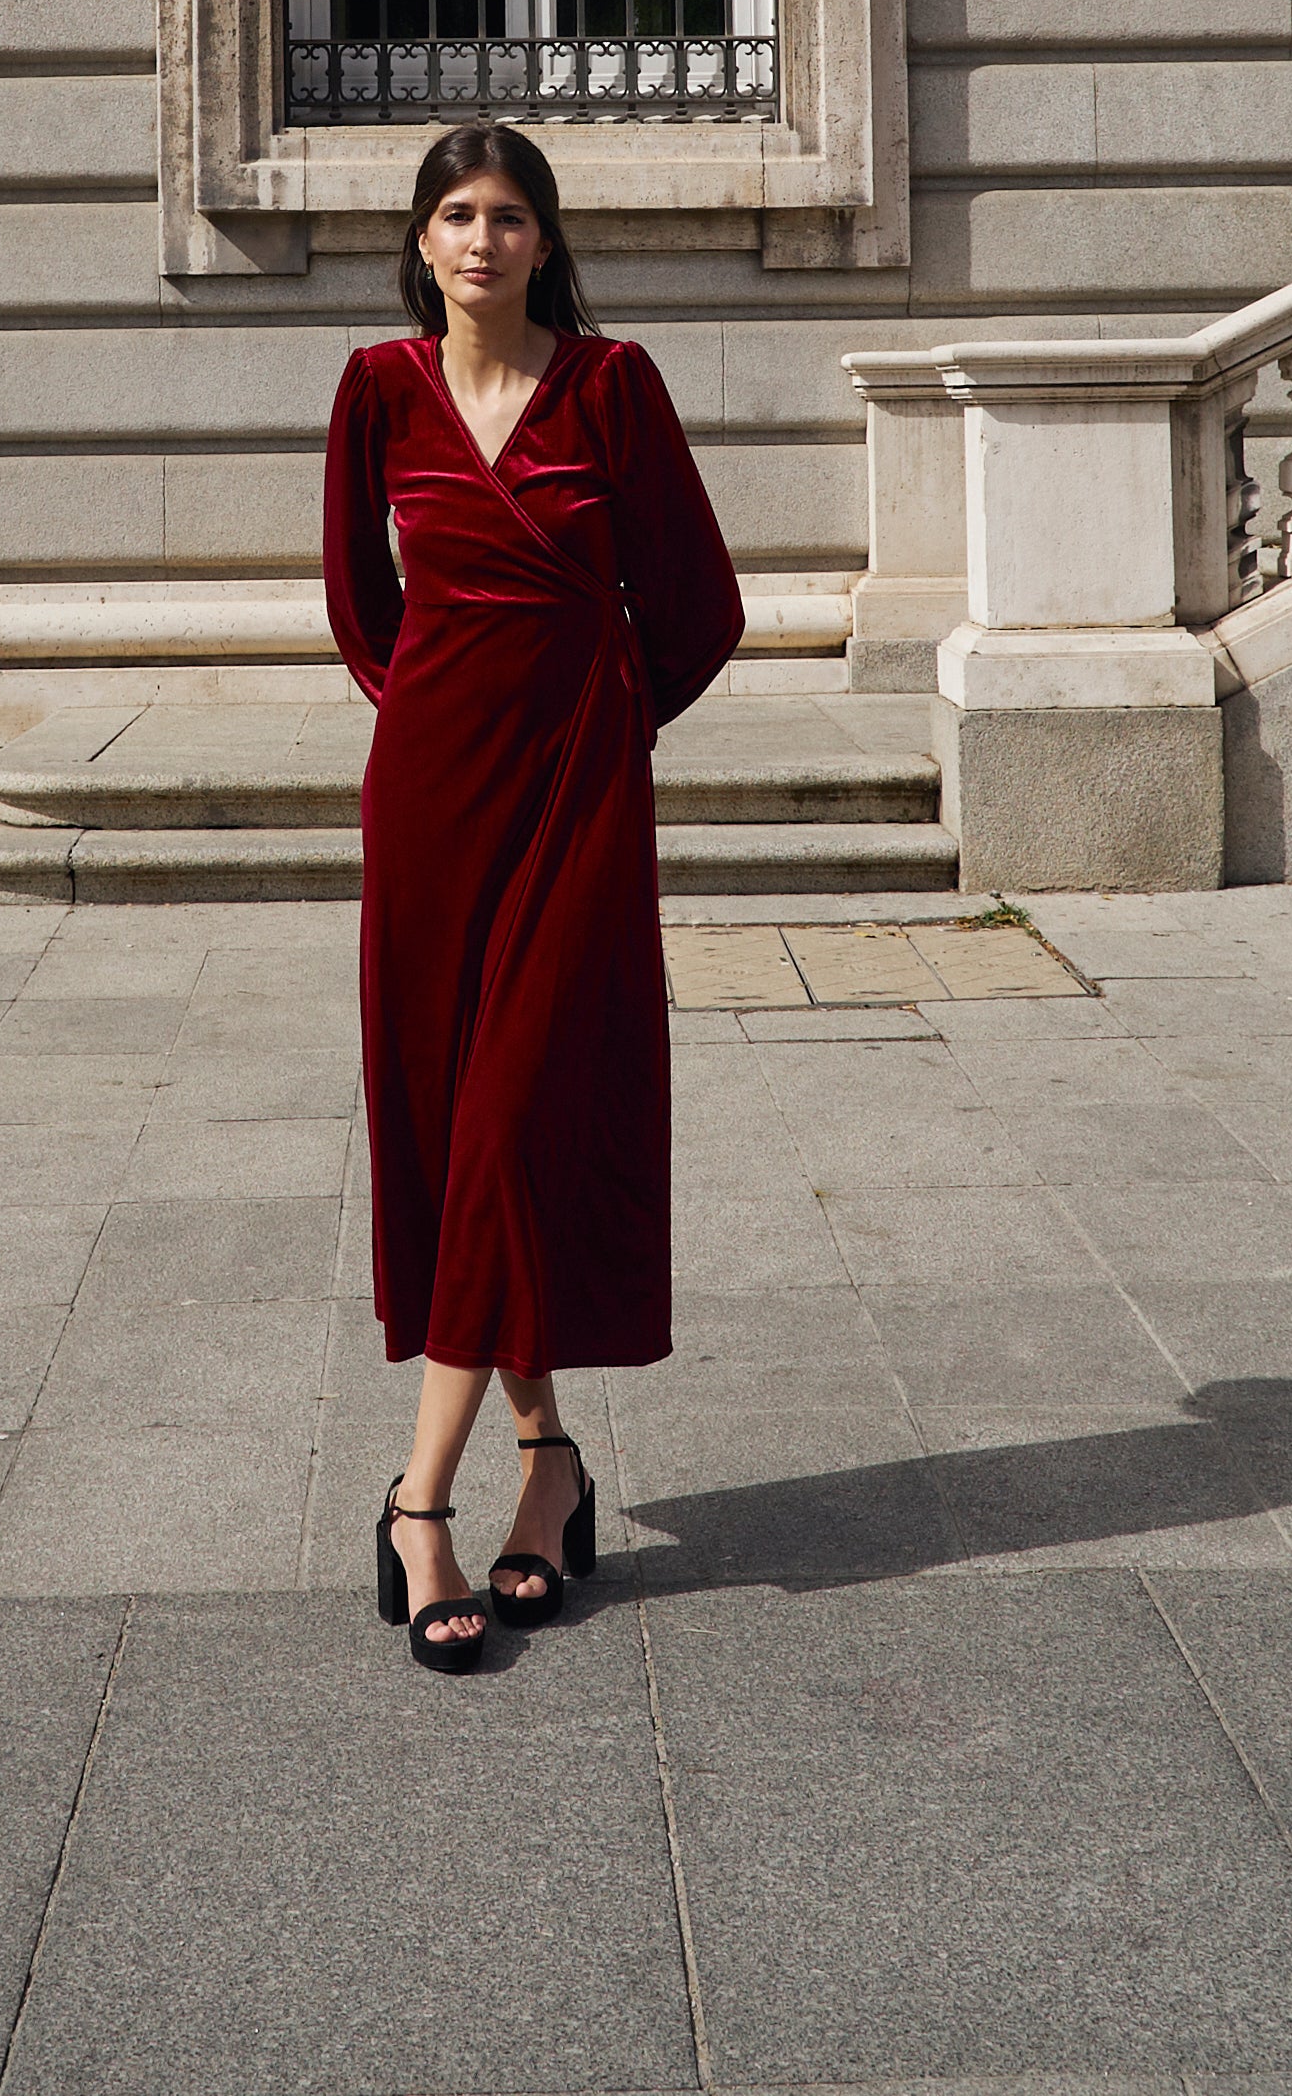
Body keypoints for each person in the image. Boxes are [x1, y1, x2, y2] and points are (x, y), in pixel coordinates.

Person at [322, 121, 744, 1671]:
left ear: (543, 239)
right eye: (455, 214)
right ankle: (546, 1464)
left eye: (508, 214)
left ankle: (413, 1495)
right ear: (420, 243)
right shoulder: (376, 391)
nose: (483, 238)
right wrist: (438, 711)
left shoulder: (612, 385)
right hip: (432, 802)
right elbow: (361, 612)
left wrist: (601, 718)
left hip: (575, 798)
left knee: (510, 1119)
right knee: (453, 1130)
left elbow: (701, 605)